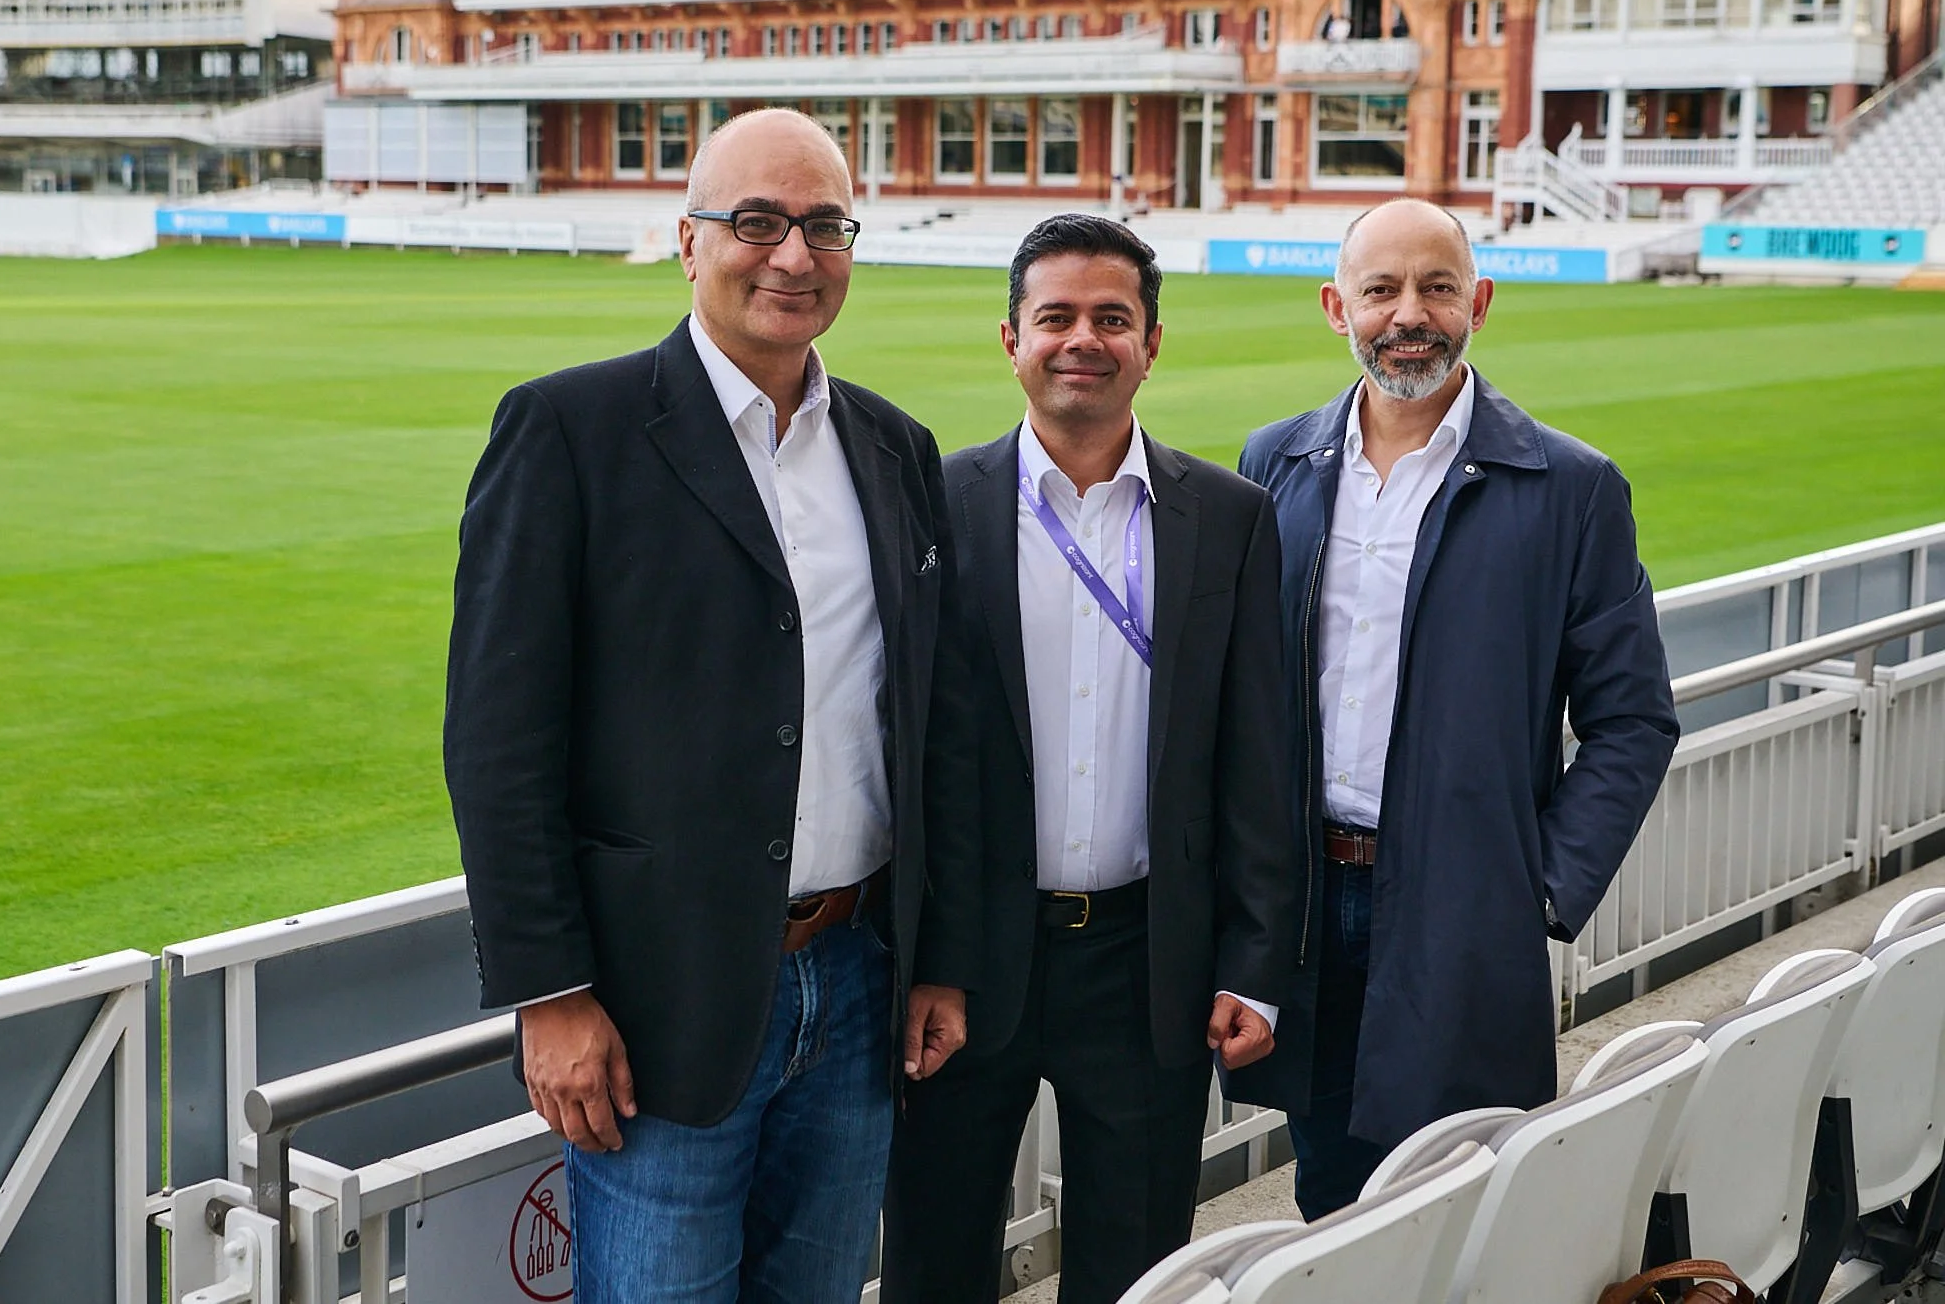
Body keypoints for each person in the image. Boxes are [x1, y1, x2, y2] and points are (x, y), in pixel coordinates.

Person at [442, 107, 970, 1303]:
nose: (792, 254)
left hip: (853, 985)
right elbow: (495, 740)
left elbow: (930, 726)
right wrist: (551, 994)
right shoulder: (568, 430)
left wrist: (934, 961)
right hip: (651, 1006)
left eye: (823, 226)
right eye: (757, 222)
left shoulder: (893, 449)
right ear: (688, 242)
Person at [1228, 198, 1678, 1220]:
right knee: (1330, 1199)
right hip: (1307, 906)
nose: (1407, 314)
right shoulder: (1273, 464)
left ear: (1476, 300)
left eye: (1435, 287)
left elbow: (1632, 720)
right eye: (1379, 289)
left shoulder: (1569, 487)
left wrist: (1540, 890)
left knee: (1467, 1198)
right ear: (1333, 306)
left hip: (1462, 909)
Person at [881, 214, 1300, 1304]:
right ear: (1009, 339)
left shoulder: (1228, 516)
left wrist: (1253, 959)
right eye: (1055, 316)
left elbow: (1258, 755)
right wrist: (921, 951)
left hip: (1145, 955)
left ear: (1151, 343)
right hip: (967, 960)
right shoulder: (933, 503)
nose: (1083, 339)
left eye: (1111, 318)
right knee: (933, 1251)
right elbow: (907, 745)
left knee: (1137, 1259)